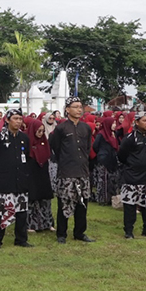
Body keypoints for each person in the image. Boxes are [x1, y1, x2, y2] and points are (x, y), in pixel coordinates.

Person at [0, 109, 33, 249]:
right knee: (0, 212)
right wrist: (0, 170)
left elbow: (27, 156)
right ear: (7, 120)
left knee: (21, 212)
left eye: (20, 119)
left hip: (20, 181)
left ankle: (21, 239)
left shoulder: (24, 138)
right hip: (3, 181)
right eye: (15, 119)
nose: (18, 122)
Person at [50, 97, 95, 243]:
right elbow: (56, 147)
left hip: (83, 171)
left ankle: (80, 232)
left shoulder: (86, 128)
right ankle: (61, 234)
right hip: (67, 172)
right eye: (75, 107)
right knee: (64, 203)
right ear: (67, 110)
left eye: (80, 107)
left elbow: (87, 148)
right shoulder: (61, 128)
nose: (79, 109)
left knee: (82, 204)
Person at [117, 112, 146, 239]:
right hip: (132, 176)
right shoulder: (130, 138)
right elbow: (121, 155)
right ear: (137, 122)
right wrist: (132, 164)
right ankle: (129, 230)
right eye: (144, 120)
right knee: (130, 205)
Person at [24, 116, 55, 233]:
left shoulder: (44, 142)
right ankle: (31, 224)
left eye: (42, 131)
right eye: (38, 131)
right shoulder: (27, 142)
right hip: (31, 175)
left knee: (45, 199)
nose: (40, 133)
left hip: (43, 175)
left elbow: (47, 155)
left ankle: (47, 223)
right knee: (32, 200)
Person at [92, 115, 120, 205]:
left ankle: (112, 197)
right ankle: (103, 199)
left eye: (115, 123)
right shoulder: (101, 134)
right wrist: (102, 153)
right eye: (113, 123)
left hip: (112, 159)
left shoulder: (114, 134)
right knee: (103, 180)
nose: (114, 125)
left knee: (112, 179)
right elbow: (95, 146)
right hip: (104, 160)